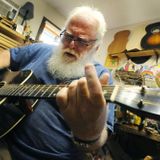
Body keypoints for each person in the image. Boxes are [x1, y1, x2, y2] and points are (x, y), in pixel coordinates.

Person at [0, 6, 115, 160]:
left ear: (95, 47)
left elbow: (100, 139)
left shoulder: (101, 77)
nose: (72, 45)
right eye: (68, 36)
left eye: (81, 41)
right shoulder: (41, 50)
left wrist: (89, 133)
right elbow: (8, 55)